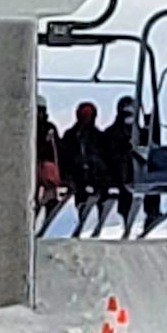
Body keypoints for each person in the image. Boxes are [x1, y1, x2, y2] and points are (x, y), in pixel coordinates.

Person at [58, 101, 111, 237]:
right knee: (81, 179)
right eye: (84, 115)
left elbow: (106, 154)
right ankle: (83, 205)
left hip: (97, 173)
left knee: (101, 178)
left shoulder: (98, 135)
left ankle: (101, 203)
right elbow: (64, 156)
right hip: (77, 173)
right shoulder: (71, 135)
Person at [100, 96, 140, 239]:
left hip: (131, 172)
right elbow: (107, 153)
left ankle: (148, 213)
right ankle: (124, 214)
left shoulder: (138, 133)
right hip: (117, 173)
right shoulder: (113, 133)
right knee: (124, 186)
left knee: (127, 185)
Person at [33, 101, 65, 238]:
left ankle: (41, 219)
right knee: (38, 195)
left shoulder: (48, 128)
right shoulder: (47, 127)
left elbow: (57, 149)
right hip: (39, 167)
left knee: (46, 194)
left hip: (43, 167)